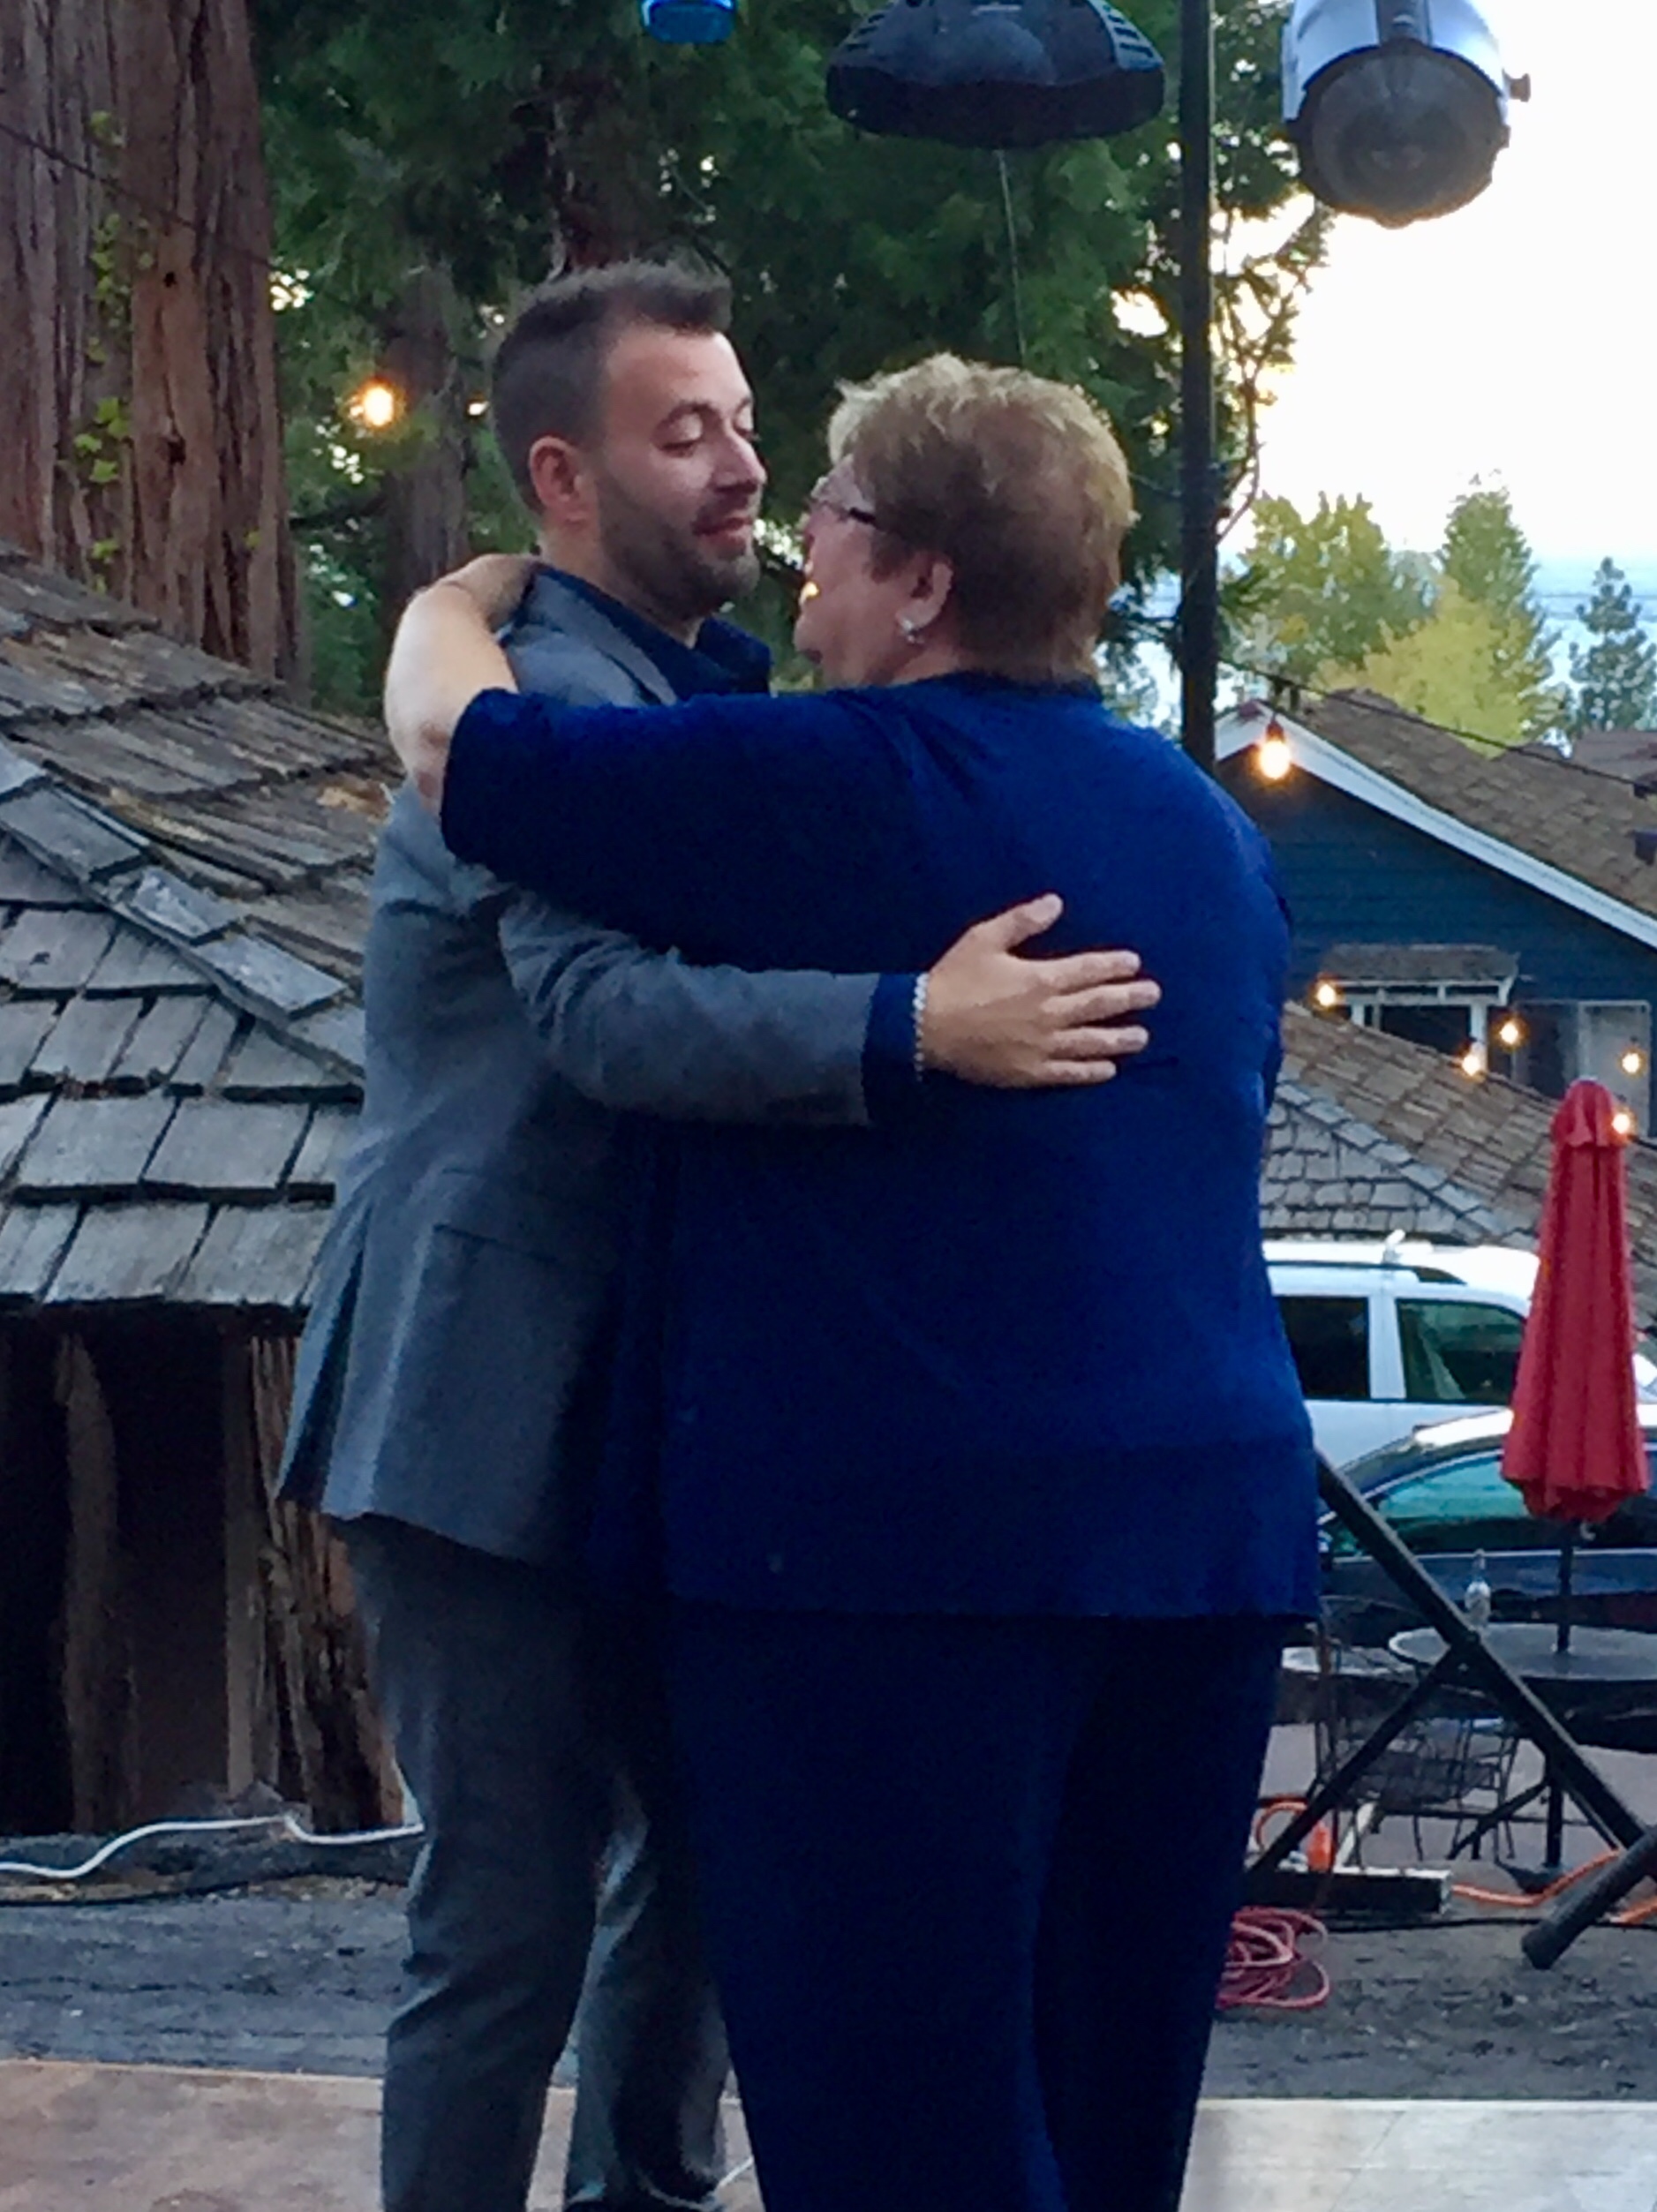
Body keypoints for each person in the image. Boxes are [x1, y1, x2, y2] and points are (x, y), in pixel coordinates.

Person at [385, 351, 1322, 2212]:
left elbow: (462, 754)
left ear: (921, 583)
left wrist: (454, 598)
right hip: (1202, 1548)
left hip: (895, 1571)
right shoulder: (1205, 829)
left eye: (833, 511)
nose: (796, 538)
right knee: (1105, 2116)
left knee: (898, 2128)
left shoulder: (836, 786)